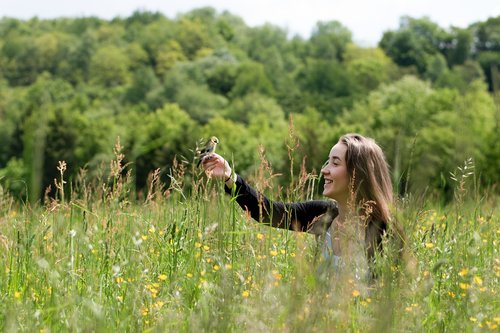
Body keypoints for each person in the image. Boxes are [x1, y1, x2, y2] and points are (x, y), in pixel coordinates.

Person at [202, 133, 405, 278]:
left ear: (357, 173)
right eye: (327, 162)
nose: (325, 170)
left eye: (335, 163)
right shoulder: (324, 215)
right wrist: (229, 177)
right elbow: (268, 212)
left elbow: (393, 299)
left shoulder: (384, 229)